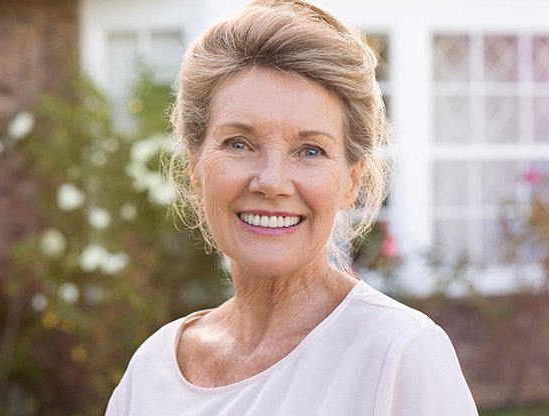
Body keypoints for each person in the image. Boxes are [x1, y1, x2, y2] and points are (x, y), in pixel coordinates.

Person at [105, 0, 479, 414]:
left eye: (310, 150)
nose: (271, 181)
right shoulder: (153, 369)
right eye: (239, 143)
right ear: (196, 168)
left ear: (351, 181)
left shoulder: (398, 352)